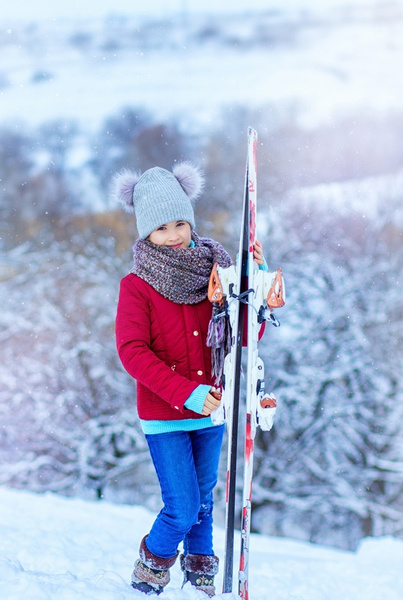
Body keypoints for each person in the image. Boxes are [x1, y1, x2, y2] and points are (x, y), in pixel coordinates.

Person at [113, 162, 266, 597]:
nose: (175, 233)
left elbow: (243, 336)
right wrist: (188, 392)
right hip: (166, 415)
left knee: (203, 503)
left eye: (181, 222)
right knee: (181, 508)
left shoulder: (216, 272)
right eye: (162, 227)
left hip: (211, 412)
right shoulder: (137, 286)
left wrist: (255, 276)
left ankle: (201, 580)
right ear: (146, 234)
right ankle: (149, 572)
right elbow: (132, 353)